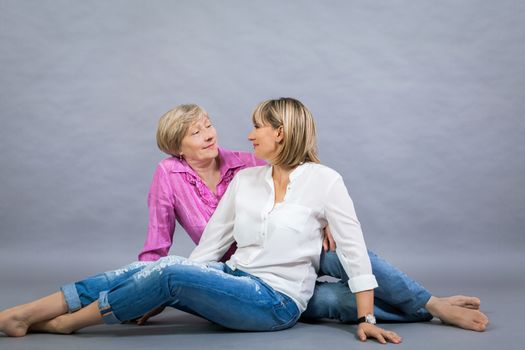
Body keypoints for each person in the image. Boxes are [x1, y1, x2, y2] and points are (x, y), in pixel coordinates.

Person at [0, 98, 402, 343]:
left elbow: (353, 253)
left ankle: (68, 324)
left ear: (280, 133)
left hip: (277, 303)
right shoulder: (247, 178)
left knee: (167, 274)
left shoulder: (324, 180)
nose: (246, 135)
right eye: (198, 131)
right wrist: (154, 284)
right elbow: (209, 246)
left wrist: (365, 317)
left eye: (257, 126)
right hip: (232, 278)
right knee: (161, 268)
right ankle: (26, 314)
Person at [136, 103, 488, 331]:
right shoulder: (168, 176)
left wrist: (330, 220)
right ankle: (428, 309)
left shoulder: (246, 161)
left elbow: (301, 171)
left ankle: (431, 302)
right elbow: (158, 241)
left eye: (208, 125)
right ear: (176, 147)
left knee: (355, 258)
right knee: (333, 303)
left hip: (293, 250)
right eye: (195, 132)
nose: (209, 134)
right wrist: (149, 289)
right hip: (246, 273)